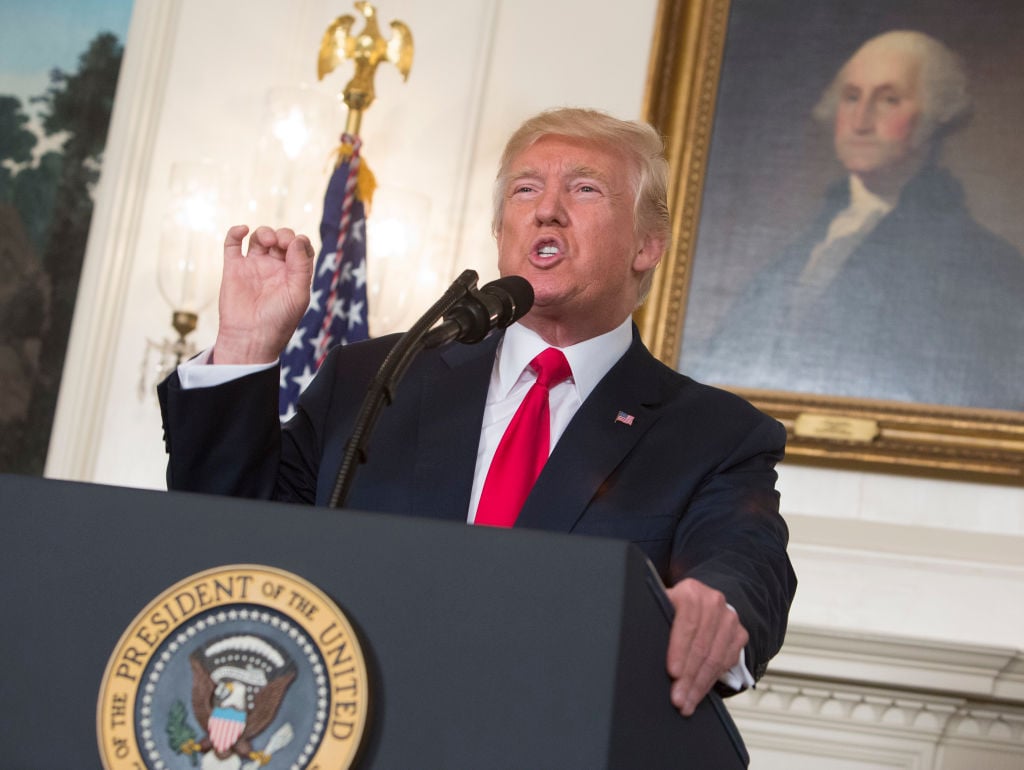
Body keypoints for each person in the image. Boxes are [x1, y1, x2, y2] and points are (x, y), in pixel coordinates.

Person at [159, 107, 796, 719]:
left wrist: (723, 603)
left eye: (584, 189)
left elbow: (747, 557)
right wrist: (244, 348)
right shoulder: (373, 380)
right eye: (524, 189)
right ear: (500, 235)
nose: (547, 209)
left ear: (648, 246)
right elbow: (232, 537)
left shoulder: (712, 435)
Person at [695, 30, 1024, 410]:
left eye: (888, 100)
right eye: (851, 97)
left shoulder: (982, 265)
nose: (861, 121)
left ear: (935, 115)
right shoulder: (814, 238)